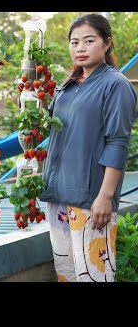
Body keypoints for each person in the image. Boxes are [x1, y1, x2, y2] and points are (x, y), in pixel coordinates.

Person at [40, 14, 137, 282]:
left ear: (106, 43)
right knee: (67, 274)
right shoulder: (68, 87)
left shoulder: (116, 85)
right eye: (74, 42)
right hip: (59, 196)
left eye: (88, 41)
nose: (80, 48)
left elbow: (118, 142)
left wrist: (105, 196)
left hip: (90, 199)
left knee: (94, 275)